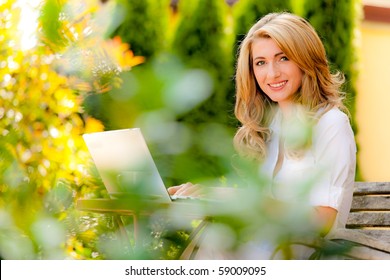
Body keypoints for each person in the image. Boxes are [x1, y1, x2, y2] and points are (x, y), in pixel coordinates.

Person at [168, 12, 357, 259]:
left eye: (283, 58)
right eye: (261, 62)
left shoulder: (331, 123)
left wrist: (242, 200)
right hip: (261, 245)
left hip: (302, 254)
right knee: (213, 237)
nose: (272, 73)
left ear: (305, 60)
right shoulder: (271, 125)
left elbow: (322, 220)